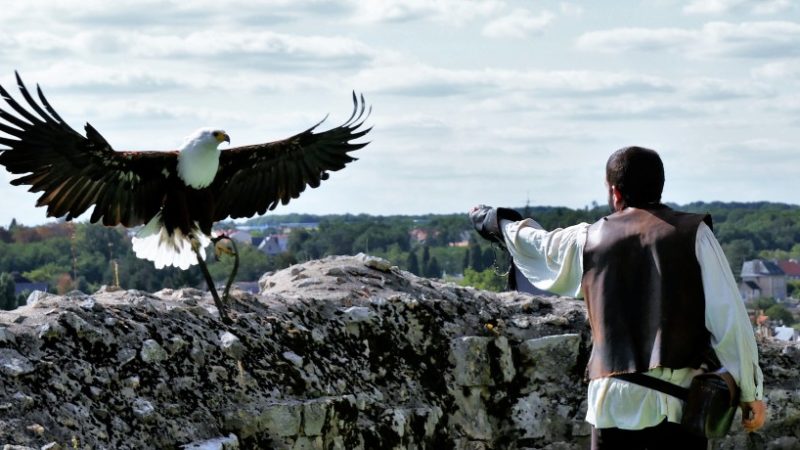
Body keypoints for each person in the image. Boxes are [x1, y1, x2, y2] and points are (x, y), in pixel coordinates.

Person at [470, 146, 765, 450]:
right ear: (660, 186)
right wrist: (750, 392)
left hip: (611, 403)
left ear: (614, 191)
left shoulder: (588, 239)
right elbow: (729, 317)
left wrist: (492, 220)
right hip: (676, 404)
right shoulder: (694, 235)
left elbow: (537, 244)